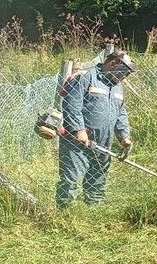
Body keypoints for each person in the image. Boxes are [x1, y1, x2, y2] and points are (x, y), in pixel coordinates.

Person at [56, 51, 135, 207]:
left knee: (98, 179)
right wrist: (79, 130)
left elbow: (121, 113)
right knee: (71, 179)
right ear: (113, 63)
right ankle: (63, 213)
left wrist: (124, 136)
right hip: (77, 141)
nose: (125, 76)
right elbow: (71, 105)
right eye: (124, 70)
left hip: (104, 141)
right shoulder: (86, 77)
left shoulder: (117, 87)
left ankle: (93, 209)